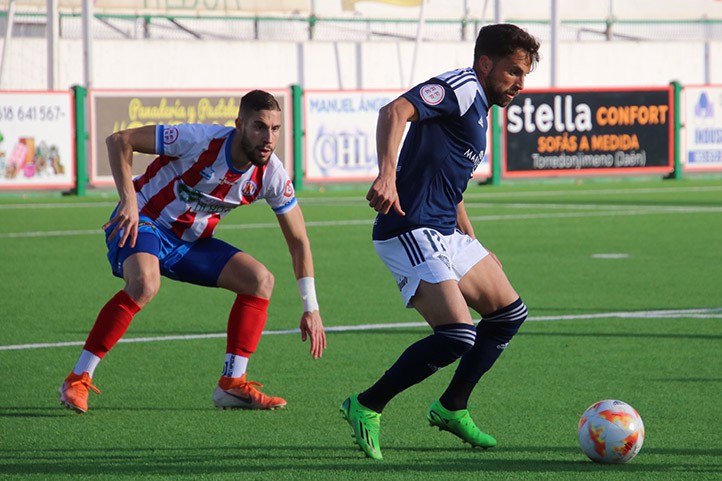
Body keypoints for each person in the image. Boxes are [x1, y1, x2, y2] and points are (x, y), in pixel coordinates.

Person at [340, 24, 540, 459]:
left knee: (508, 313)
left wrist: (474, 243)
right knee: (457, 335)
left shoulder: (481, 107)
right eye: (513, 72)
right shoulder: (464, 85)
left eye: (524, 75)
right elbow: (394, 111)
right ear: (486, 63)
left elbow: (453, 185)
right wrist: (387, 175)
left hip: (444, 231)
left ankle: (452, 407)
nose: (520, 84)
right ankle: (367, 404)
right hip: (407, 228)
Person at [59, 90, 326, 414]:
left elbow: (298, 240)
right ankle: (78, 378)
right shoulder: (199, 140)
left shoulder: (272, 174)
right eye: (259, 127)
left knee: (260, 280)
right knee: (145, 284)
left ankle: (232, 384)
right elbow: (119, 140)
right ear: (239, 125)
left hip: (189, 242)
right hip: (145, 220)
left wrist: (310, 306)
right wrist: (128, 199)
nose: (268, 138)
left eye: (275, 129)